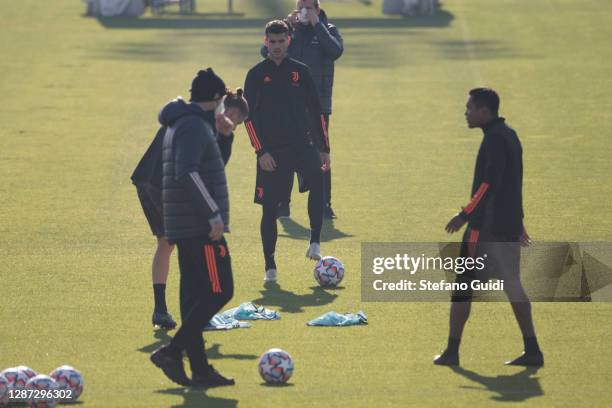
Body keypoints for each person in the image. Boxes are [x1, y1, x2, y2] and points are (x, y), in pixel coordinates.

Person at [435, 88, 543, 367]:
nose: (466, 113)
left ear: (484, 111)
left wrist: (465, 215)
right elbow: (514, 184)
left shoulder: (494, 140)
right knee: (512, 283)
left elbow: (489, 183)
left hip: (484, 229)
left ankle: (451, 352)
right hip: (506, 225)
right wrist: (518, 223)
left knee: (462, 288)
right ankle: (532, 350)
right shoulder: (510, 135)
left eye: (470, 108)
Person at [147, 69, 240, 387]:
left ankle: (199, 370)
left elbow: (208, 165)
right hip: (199, 226)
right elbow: (187, 173)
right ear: (215, 100)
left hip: (186, 224)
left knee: (194, 296)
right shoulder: (192, 127)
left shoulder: (187, 122)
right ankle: (173, 351)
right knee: (220, 290)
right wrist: (213, 214)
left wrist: (225, 135)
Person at [131, 89, 248, 331]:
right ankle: (197, 313)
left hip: (147, 179)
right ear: (223, 107)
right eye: (234, 116)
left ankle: (161, 310)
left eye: (238, 123)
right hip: (161, 184)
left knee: (166, 243)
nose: (233, 124)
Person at [244, 20, 331, 283]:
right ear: (265, 42)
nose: (277, 46)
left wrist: (324, 148)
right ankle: (270, 267)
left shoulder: (301, 72)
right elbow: (249, 118)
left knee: (319, 181)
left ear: (289, 41)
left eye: (282, 41)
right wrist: (261, 152)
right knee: (269, 211)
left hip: (302, 145)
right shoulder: (256, 74)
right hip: (272, 153)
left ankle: (315, 241)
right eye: (273, 41)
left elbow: (317, 112)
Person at [261, 0, 342, 219]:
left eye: (309, 7)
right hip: (287, 105)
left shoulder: (328, 29)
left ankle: (325, 204)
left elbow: (335, 51)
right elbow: (264, 51)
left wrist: (317, 25)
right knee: (283, 150)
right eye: (302, 7)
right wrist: (286, 26)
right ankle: (282, 204)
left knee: (321, 153)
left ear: (317, 9)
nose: (305, 11)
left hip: (318, 104)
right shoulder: (289, 31)